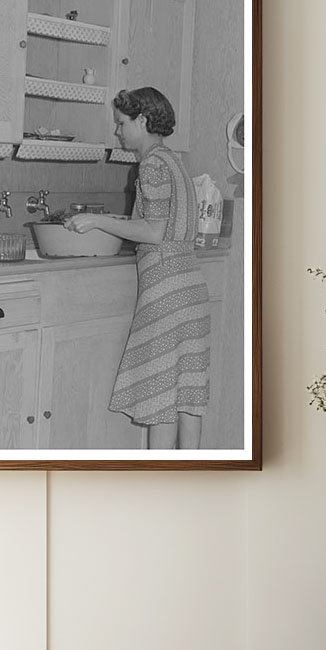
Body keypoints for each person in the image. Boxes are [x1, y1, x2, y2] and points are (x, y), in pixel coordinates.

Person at [65, 87, 211, 449]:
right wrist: (107, 220)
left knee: (160, 396)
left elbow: (153, 231)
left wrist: (96, 223)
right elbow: (157, 223)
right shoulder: (174, 162)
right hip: (191, 288)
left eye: (121, 123)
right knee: (187, 395)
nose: (117, 132)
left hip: (165, 290)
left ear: (142, 121)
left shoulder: (150, 165)